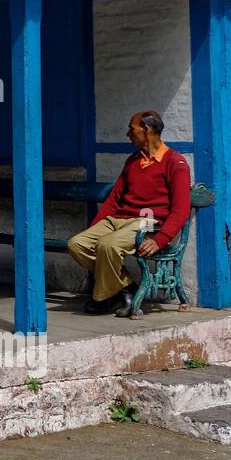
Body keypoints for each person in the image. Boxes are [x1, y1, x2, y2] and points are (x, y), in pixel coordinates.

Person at [67, 110, 192, 317]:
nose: (128, 134)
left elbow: (180, 210)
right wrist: (96, 228)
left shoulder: (175, 162)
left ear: (147, 129)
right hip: (117, 220)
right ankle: (125, 288)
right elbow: (115, 198)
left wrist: (160, 239)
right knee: (77, 244)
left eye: (131, 129)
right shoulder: (133, 161)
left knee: (108, 245)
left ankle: (103, 299)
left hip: (147, 223)